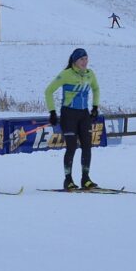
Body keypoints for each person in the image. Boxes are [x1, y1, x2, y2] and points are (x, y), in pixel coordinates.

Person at [45, 47, 101, 190]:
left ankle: (86, 179)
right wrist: (52, 112)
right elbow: (48, 91)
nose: (85, 62)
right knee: (72, 147)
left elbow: (96, 89)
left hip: (84, 114)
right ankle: (68, 180)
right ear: (75, 61)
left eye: (86, 58)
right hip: (69, 114)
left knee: (87, 146)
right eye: (82, 59)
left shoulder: (90, 74)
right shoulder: (66, 74)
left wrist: (95, 107)